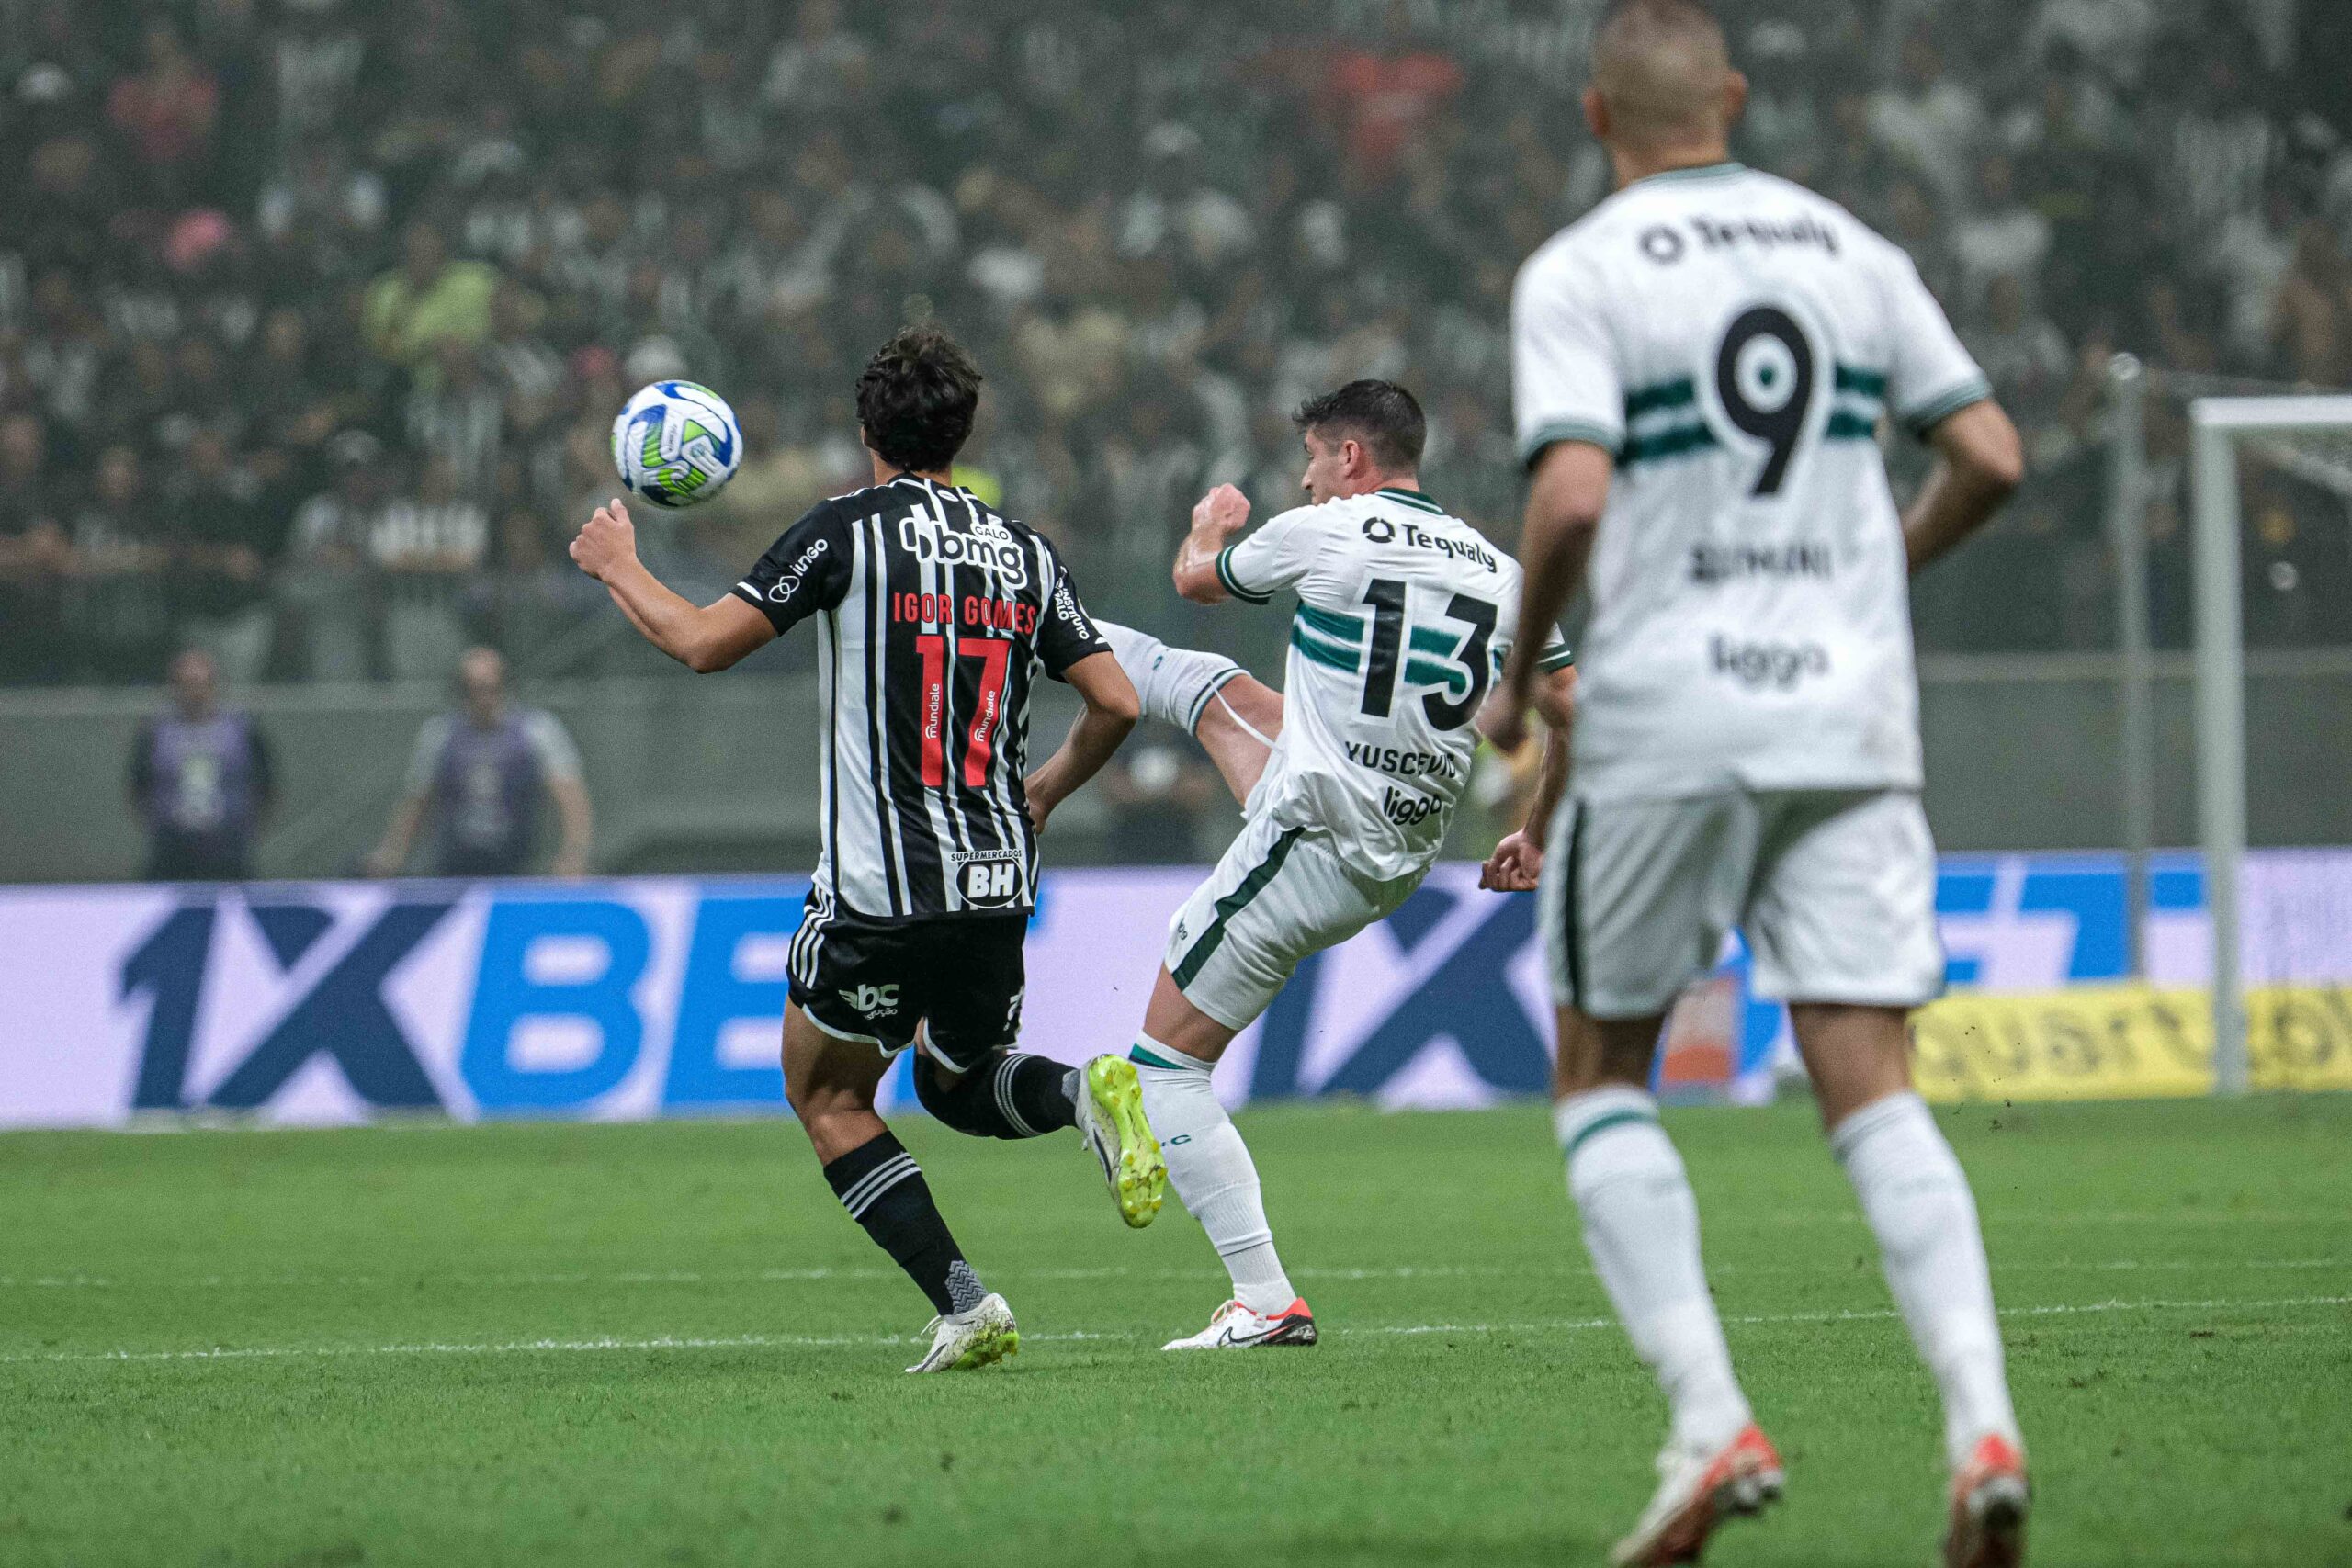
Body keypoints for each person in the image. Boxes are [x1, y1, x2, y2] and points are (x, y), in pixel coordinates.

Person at [1484, 5, 2030, 1564]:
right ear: (1731, 96)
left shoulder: (1580, 270)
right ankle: (1981, 1422)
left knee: (1603, 1067)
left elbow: (1576, 485)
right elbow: (1989, 451)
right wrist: (1876, 572)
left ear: (1599, 114)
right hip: (1848, 717)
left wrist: (1524, 665)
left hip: (1667, 717)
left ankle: (1712, 1419)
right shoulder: (1849, 248)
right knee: (1870, 1072)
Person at [563, 325, 1160, 1373]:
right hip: (995, 880)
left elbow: (705, 644)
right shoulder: (1025, 550)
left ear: (864, 431)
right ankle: (1080, 1094)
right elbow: (1113, 700)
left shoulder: (843, 532)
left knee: (828, 1094)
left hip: (881, 888)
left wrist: (621, 565)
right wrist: (1046, 794)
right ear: (962, 430)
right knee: (955, 1083)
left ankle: (966, 1304)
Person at [1089, 379, 1576, 1350]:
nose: (1306, 481)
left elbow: (1196, 579)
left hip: (1314, 837)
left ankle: (1264, 1299)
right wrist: (1536, 829)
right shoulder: (1501, 572)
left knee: (1160, 1074)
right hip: (1392, 837)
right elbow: (1576, 716)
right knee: (1211, 688)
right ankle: (1028, 626)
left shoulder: (1330, 528)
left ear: (1350, 458)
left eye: (1313, 461)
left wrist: (1209, 522)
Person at [364, 647, 594, 879]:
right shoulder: (441, 735)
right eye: (470, 690)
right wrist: (392, 853)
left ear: (504, 686)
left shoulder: (537, 732)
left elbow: (571, 800)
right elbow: (417, 803)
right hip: (454, 866)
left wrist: (574, 855)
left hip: (518, 866)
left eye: (488, 688)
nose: (481, 698)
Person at [127, 647, 277, 882]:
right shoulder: (156, 732)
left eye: (200, 684)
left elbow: (266, 784)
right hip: (171, 850)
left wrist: (247, 825)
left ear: (214, 686)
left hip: (228, 848)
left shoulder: (241, 729)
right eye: (187, 685)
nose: (194, 693)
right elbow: (138, 786)